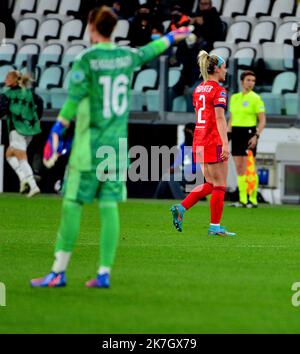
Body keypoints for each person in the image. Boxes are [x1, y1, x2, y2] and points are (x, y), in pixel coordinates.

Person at [30, 6, 192, 288]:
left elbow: (72, 101)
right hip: (116, 148)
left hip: (89, 146)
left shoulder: (87, 59)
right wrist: (173, 36)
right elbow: (150, 50)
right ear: (114, 28)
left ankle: (58, 271)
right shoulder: (125, 56)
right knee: (108, 207)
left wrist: (57, 130)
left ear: (91, 26)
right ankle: (104, 272)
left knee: (72, 205)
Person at [170, 50, 236, 237]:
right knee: (220, 185)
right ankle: (215, 227)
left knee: (210, 183)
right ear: (216, 69)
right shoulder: (219, 90)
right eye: (224, 68)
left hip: (198, 139)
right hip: (212, 139)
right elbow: (220, 119)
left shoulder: (198, 89)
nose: (225, 71)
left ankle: (181, 208)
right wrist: (225, 143)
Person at [228, 70, 266, 208]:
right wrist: (227, 136)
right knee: (239, 167)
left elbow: (262, 121)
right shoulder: (234, 98)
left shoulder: (256, 98)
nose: (251, 83)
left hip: (249, 133)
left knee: (249, 166)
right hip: (236, 133)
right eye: (248, 80)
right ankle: (242, 199)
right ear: (242, 81)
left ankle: (253, 198)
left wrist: (256, 135)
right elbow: (231, 119)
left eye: (253, 81)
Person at [0, 70, 41, 197]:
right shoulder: (30, 93)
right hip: (30, 129)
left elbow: (2, 110)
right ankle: (23, 179)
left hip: (16, 129)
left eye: (8, 77)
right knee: (9, 154)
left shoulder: (7, 94)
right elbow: (40, 106)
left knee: (21, 158)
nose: (5, 79)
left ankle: (33, 186)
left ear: (14, 80)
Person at [154, 123, 196, 199]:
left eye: (189, 132)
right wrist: (172, 168)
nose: (186, 135)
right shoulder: (184, 146)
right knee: (166, 176)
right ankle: (156, 200)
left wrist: (189, 170)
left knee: (172, 178)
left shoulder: (200, 145)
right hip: (186, 175)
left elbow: (201, 166)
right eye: (185, 132)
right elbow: (178, 161)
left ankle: (182, 201)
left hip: (197, 176)